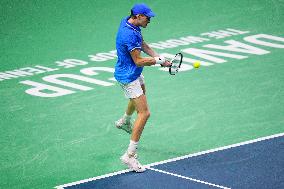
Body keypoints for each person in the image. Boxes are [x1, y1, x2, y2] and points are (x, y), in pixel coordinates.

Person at [114, 3, 171, 172]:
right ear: (138, 16)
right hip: (128, 76)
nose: (150, 20)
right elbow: (138, 60)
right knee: (144, 113)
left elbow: (143, 44)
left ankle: (124, 121)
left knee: (142, 93)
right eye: (148, 17)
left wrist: (158, 56)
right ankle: (129, 156)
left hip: (134, 73)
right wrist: (158, 61)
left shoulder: (129, 23)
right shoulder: (128, 35)